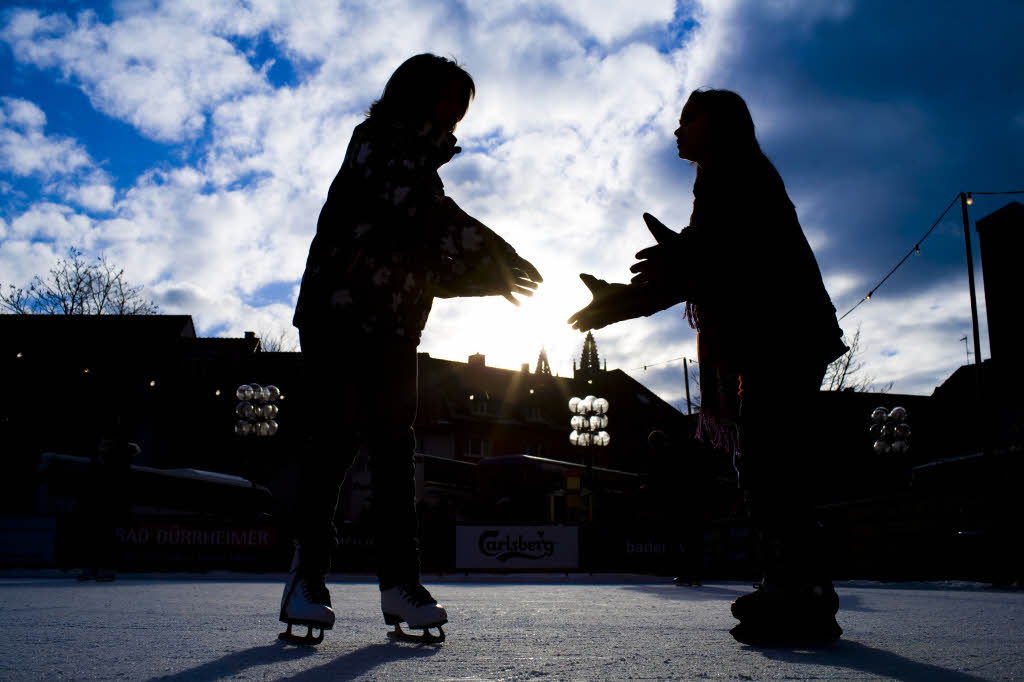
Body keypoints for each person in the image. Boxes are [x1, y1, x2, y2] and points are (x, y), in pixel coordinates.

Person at [568, 88, 848, 646]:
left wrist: (636, 291)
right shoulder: (725, 175)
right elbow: (706, 262)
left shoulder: (736, 172)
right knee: (768, 466)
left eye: (686, 121)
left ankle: (799, 595)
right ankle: (794, 588)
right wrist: (628, 295)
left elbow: (716, 258)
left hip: (784, 335)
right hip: (779, 337)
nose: (676, 132)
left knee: (771, 467)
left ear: (716, 125)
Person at [283, 54, 543, 645]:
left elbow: (430, 266)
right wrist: (497, 251)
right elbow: (430, 216)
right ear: (415, 96)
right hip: (341, 316)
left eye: (462, 105)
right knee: (332, 446)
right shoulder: (375, 144)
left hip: (398, 330)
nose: (455, 115)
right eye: (448, 100)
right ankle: (307, 579)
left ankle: (400, 584)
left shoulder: (424, 174)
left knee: (395, 454)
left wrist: (491, 279)